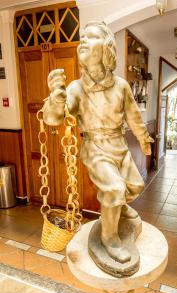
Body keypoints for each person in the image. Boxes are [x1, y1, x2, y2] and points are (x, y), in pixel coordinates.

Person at [43, 21, 154, 263]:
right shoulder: (76, 88)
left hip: (119, 145)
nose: (82, 40)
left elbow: (134, 116)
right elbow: (54, 119)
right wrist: (56, 98)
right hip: (94, 147)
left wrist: (144, 139)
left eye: (90, 36)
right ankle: (109, 238)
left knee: (134, 186)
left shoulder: (121, 86)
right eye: (82, 37)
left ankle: (119, 208)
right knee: (114, 189)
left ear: (106, 49)